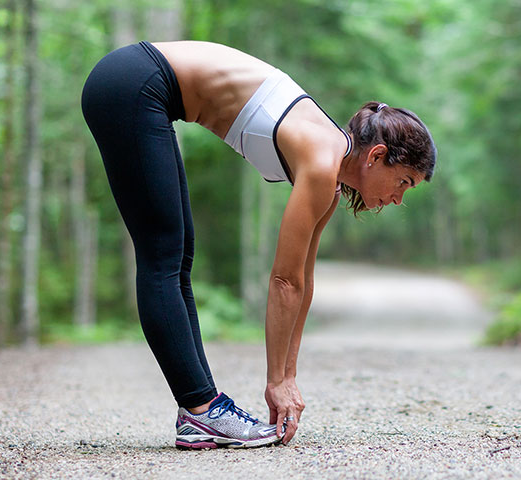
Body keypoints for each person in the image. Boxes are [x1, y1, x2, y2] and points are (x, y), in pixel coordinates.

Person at [81, 40, 436, 449]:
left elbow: (303, 279)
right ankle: (200, 410)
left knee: (177, 257)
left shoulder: (331, 176)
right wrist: (274, 383)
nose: (398, 199)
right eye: (404, 182)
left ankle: (200, 409)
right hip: (134, 82)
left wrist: (287, 378)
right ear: (376, 155)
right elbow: (283, 281)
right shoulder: (323, 163)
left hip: (143, 88)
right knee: (163, 255)